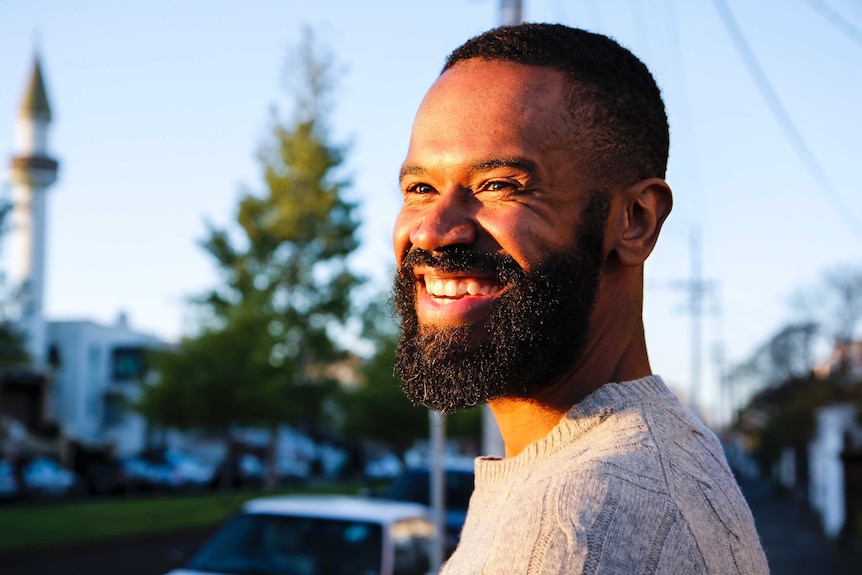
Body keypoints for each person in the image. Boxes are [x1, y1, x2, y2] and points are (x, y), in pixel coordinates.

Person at [392, 23, 769, 574]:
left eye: (500, 184)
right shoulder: (653, 460)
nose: (431, 231)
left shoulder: (568, 533)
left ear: (634, 221)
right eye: (420, 188)